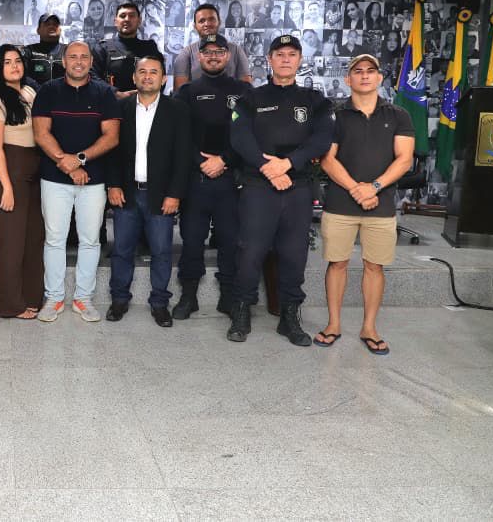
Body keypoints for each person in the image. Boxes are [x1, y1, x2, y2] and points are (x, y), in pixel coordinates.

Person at [226, 35, 334, 346]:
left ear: (300, 60)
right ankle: (241, 310)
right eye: (280, 54)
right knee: (250, 252)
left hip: (297, 188)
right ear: (269, 60)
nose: (286, 59)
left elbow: (322, 138)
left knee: (294, 254)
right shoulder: (250, 98)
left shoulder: (316, 101)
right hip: (258, 187)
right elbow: (240, 138)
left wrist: (287, 164)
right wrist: (267, 167)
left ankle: (289, 317)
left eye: (292, 54)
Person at [316, 54, 414, 355]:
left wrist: (373, 188)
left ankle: (369, 328)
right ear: (348, 79)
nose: (364, 76)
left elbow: (404, 159)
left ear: (380, 77)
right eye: (357, 71)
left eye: (371, 71)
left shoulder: (398, 115)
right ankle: (333, 324)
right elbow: (327, 159)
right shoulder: (334, 115)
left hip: (380, 204)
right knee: (337, 263)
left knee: (374, 266)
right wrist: (355, 189)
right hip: (340, 203)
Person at [33, 41, 120, 323]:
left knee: (90, 240)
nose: (79, 62)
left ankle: (83, 299)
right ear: (64, 61)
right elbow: (41, 133)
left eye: (84, 57)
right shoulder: (48, 91)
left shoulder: (105, 93)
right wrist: (69, 166)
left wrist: (80, 159)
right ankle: (54, 298)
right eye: (73, 57)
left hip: (93, 182)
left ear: (92, 61)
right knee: (55, 239)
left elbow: (111, 137)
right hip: (54, 179)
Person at [105, 55, 188, 328]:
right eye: (142, 72)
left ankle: (160, 303)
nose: (148, 76)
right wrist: (113, 184)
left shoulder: (177, 110)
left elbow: (182, 157)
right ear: (134, 77)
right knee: (121, 250)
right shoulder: (122, 107)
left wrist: (175, 194)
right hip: (126, 192)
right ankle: (119, 299)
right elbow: (113, 151)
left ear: (163, 79)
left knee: (162, 251)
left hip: (161, 195)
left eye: (154, 72)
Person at [174, 34, 252, 319]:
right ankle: (188, 296)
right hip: (196, 180)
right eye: (208, 52)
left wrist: (224, 160)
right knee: (192, 240)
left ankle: (228, 297)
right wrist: (201, 161)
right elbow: (179, 136)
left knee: (230, 242)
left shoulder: (244, 91)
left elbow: (250, 134)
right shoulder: (186, 92)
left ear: (228, 56)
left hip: (232, 180)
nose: (214, 56)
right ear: (199, 57)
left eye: (219, 51)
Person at [0, 45, 45, 319]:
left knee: (33, 237)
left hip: (33, 169)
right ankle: (9, 304)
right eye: (7, 62)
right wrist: (6, 187)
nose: (14, 66)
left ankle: (31, 296)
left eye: (17, 61)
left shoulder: (30, 92)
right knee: (11, 241)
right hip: (9, 170)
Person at [90, 2, 162, 98]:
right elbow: (92, 77)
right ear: (115, 21)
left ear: (139, 21)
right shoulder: (103, 48)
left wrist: (146, 96)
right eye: (122, 16)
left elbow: (161, 77)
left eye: (132, 16)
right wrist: (115, 93)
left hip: (144, 103)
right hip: (111, 102)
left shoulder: (149, 48)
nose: (127, 19)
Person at [172, 4, 252, 89]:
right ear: (195, 26)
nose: (207, 24)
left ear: (219, 22)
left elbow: (247, 90)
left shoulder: (236, 50)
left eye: (211, 19)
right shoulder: (186, 53)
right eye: (202, 21)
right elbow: (180, 92)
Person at [23, 13, 66, 85]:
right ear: (38, 30)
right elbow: (21, 74)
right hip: (36, 91)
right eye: (47, 24)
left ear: (60, 30)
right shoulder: (28, 51)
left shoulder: (69, 50)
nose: (52, 26)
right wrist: (38, 88)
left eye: (55, 24)